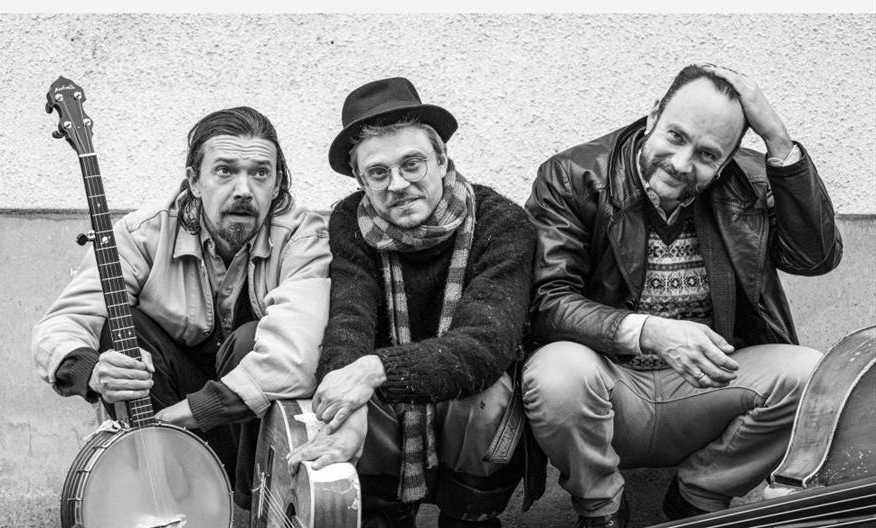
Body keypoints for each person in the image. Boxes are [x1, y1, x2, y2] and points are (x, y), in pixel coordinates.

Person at [522, 64, 843, 527]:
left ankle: (698, 499)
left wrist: (779, 144)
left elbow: (816, 257)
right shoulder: (572, 175)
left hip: (707, 388)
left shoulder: (749, 182)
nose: (680, 162)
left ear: (728, 159)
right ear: (653, 115)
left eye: (707, 154)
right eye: (675, 136)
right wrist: (651, 333)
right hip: (611, 386)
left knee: (812, 376)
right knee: (555, 373)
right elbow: (548, 302)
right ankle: (602, 510)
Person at [32, 106, 331, 510]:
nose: (244, 189)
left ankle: (247, 513)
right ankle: (163, 500)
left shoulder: (302, 237)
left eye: (260, 173)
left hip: (250, 427)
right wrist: (93, 372)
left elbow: (297, 356)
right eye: (225, 170)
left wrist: (185, 415)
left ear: (277, 184)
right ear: (194, 180)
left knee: (250, 339)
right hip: (164, 404)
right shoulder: (144, 234)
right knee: (124, 330)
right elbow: (63, 324)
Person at [285, 77, 536, 527]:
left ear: (442, 161)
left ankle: (470, 517)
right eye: (378, 173)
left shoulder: (502, 222)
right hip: (391, 406)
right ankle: (386, 512)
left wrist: (372, 370)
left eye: (412, 164)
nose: (397, 184)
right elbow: (349, 320)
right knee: (355, 399)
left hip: (469, 403)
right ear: (362, 180)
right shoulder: (351, 222)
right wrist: (346, 410)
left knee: (487, 399)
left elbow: (486, 345)